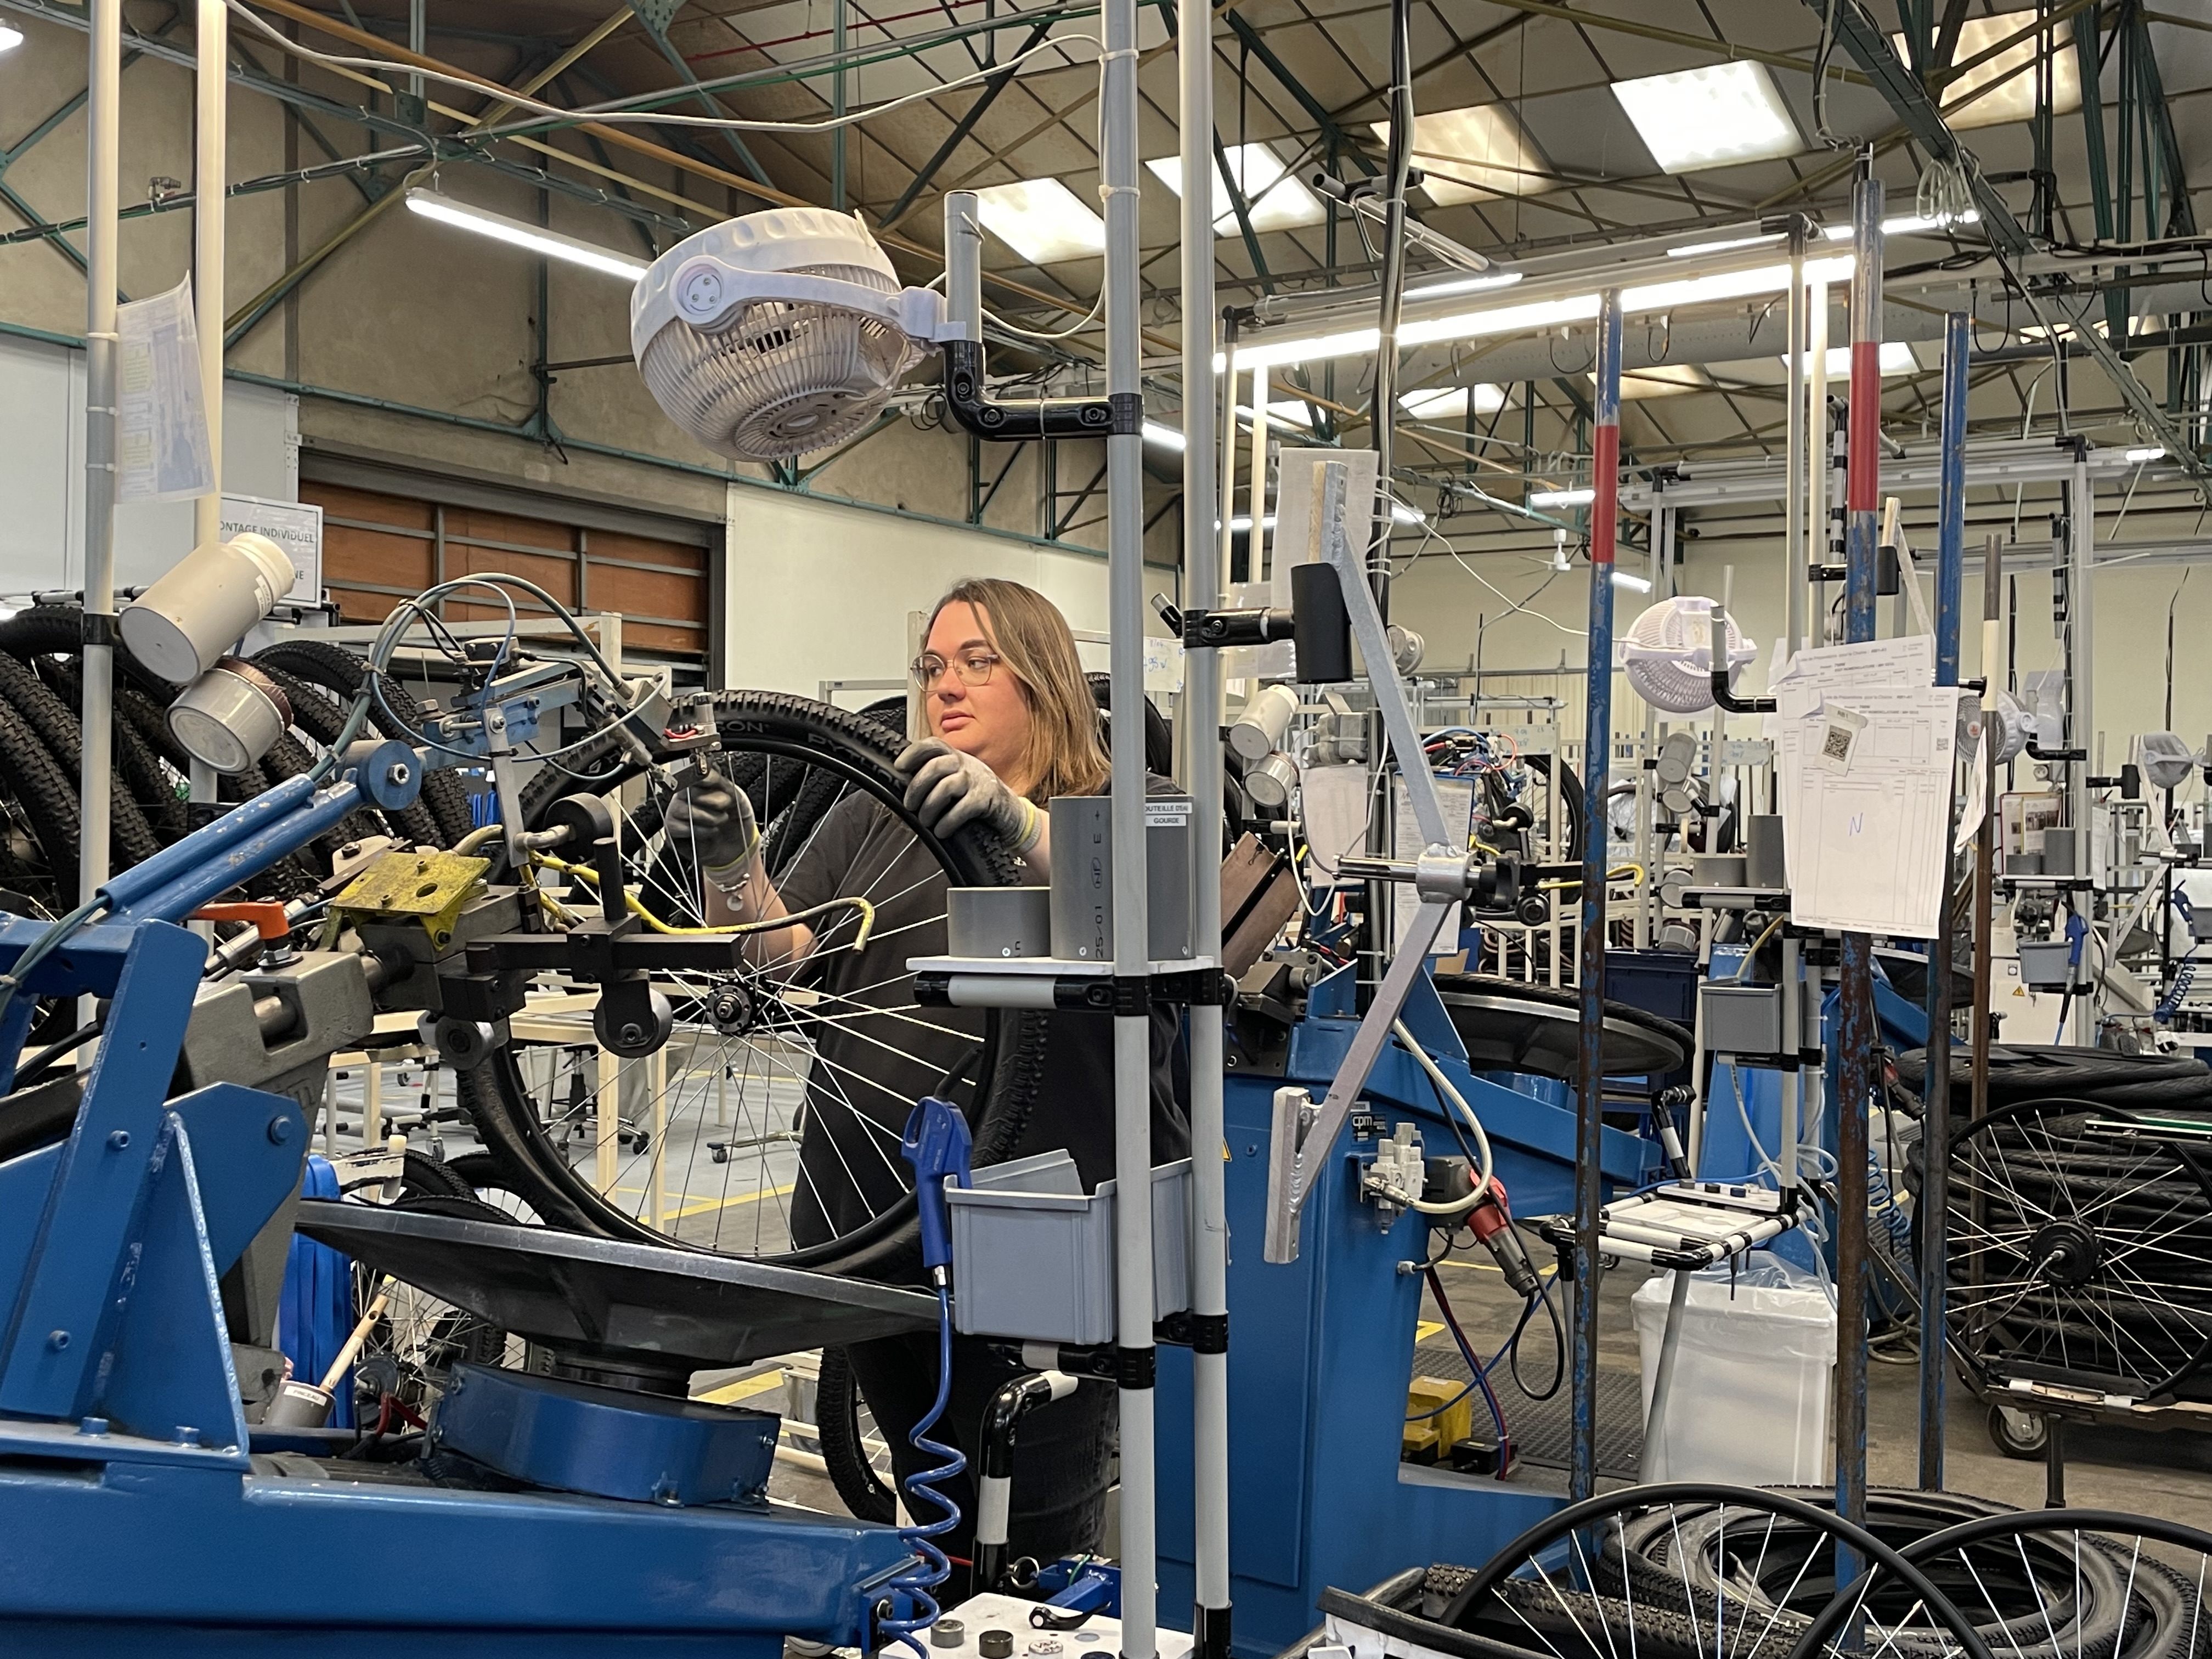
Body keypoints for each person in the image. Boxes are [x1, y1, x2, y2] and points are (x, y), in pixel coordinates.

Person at [667, 576, 1189, 1575]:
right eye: (934, 666)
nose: (946, 687)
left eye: (977, 662)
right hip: (868, 1225)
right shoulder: (882, 813)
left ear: (1042, 676)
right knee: (932, 1511)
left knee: (1032, 1541)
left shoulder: (1131, 804)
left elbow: (1148, 921)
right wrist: (732, 868)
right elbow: (782, 955)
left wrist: (1016, 820)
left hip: (1048, 1239)